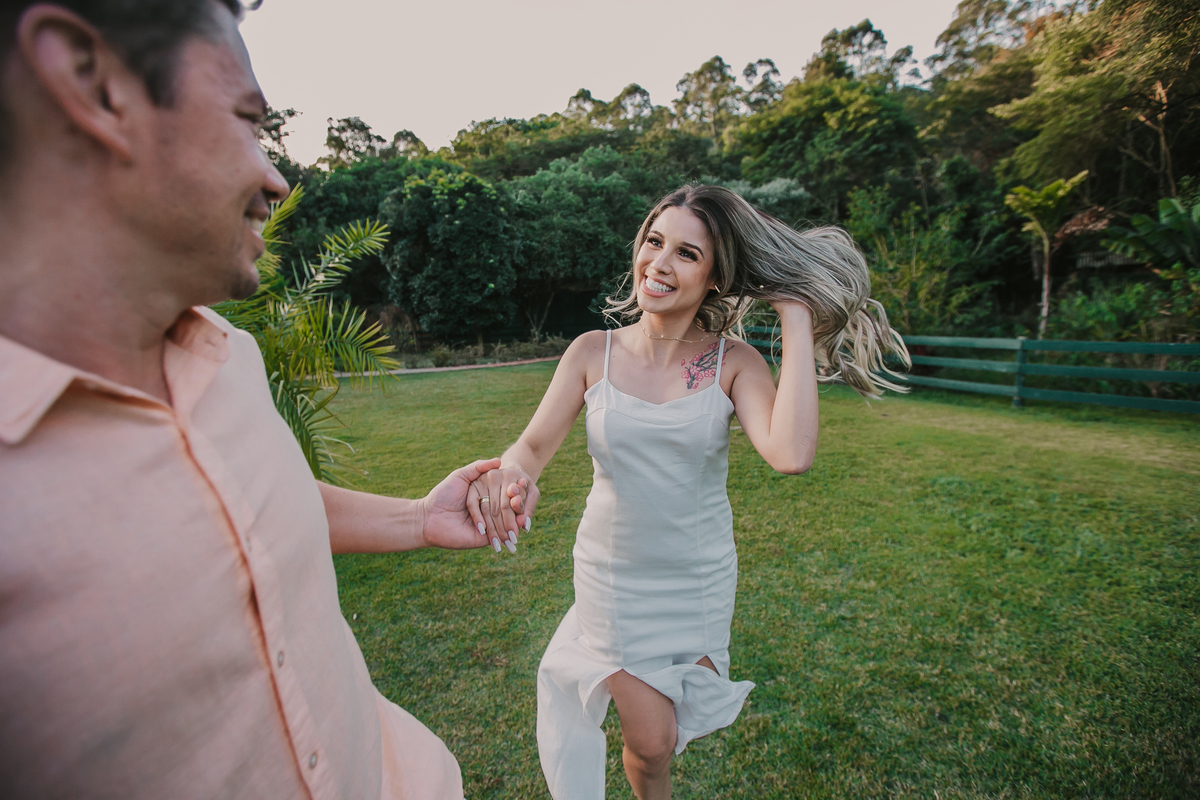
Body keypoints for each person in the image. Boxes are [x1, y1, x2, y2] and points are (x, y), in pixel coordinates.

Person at [0, 2, 525, 798]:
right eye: (249, 121)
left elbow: (239, 500)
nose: (275, 177)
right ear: (93, 83)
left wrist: (416, 517)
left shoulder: (229, 356)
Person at [469, 185, 909, 799]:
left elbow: (791, 454)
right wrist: (513, 474)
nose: (659, 263)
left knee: (665, 738)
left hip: (697, 580)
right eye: (654, 242)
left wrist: (797, 314)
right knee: (651, 742)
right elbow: (532, 448)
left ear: (714, 279)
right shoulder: (591, 354)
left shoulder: (736, 364)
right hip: (614, 577)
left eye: (686, 254)